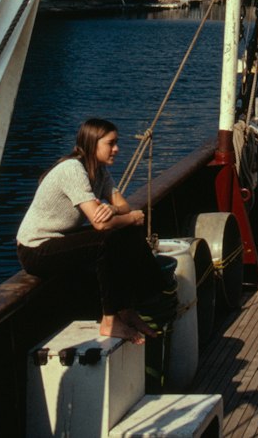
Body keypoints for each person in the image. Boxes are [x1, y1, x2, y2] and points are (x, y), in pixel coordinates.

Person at [17, 117, 164, 344]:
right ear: (92, 143)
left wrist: (113, 209)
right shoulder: (73, 169)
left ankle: (127, 310)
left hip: (59, 240)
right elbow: (101, 224)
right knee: (105, 242)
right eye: (111, 143)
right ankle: (109, 320)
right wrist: (131, 217)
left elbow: (122, 206)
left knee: (127, 233)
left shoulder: (100, 172)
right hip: (36, 249)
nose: (116, 149)